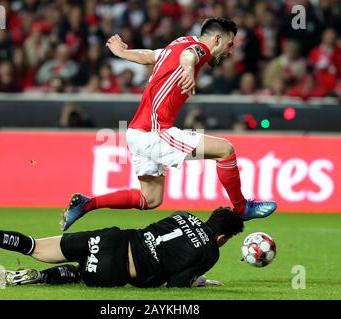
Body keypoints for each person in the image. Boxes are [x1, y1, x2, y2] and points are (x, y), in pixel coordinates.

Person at [61, 17, 277, 232]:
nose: (230, 51)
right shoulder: (200, 49)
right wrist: (189, 70)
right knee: (225, 150)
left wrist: (123, 53)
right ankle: (241, 207)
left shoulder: (179, 41)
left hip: (137, 133)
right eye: (230, 44)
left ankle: (86, 204)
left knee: (150, 199)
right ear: (217, 38)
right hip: (154, 131)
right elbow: (189, 56)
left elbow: (152, 56)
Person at [0, 207, 243, 288]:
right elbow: (175, 282)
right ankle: (40, 277)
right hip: (121, 268)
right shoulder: (211, 252)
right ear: (223, 238)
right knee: (81, 274)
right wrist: (194, 281)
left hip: (112, 237)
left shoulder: (184, 216)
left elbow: (162, 235)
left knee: (34, 245)